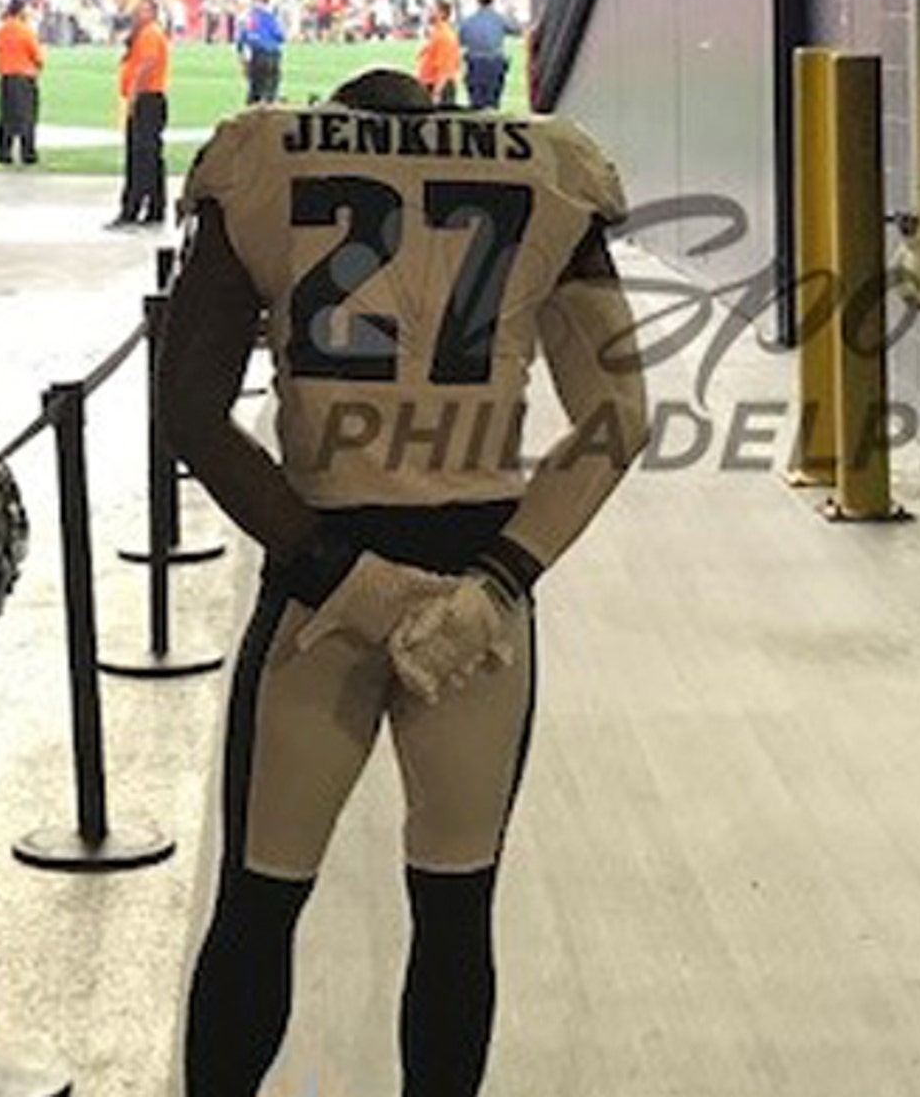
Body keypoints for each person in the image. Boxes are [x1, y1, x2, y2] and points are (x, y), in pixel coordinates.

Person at [163, 68, 649, 1097]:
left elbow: (191, 409)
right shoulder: (551, 169)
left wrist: (332, 569)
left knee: (258, 905)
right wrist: (502, 578)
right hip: (476, 582)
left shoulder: (264, 158)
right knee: (455, 909)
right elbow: (619, 417)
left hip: (316, 578)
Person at [111, 0, 170, 227]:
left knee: (140, 156)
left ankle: (133, 208)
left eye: (141, 11)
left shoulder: (150, 34)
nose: (136, 15)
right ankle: (154, 207)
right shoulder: (144, 34)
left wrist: (134, 94)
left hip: (147, 99)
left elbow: (146, 64)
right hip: (149, 99)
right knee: (150, 156)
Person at [0, 0, 45, 164]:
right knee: (26, 117)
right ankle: (27, 153)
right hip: (24, 76)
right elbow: (37, 55)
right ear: (21, 11)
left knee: (6, 116)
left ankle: (4, 153)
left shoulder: (1, 30)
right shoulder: (25, 30)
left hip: (6, 76)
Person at [457, 0, 517, 112]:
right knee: (492, 104)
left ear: (478, 1)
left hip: (475, 64)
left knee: (476, 104)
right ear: (493, 0)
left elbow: (460, 41)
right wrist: (510, 12)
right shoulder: (499, 19)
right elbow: (516, 30)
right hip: (494, 63)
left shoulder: (468, 21)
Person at [235, 0, 287, 105]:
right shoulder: (271, 17)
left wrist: (243, 61)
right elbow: (280, 37)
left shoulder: (248, 17)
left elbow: (241, 41)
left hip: (258, 55)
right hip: (273, 55)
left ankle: (250, 118)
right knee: (271, 91)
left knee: (255, 91)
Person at [415, 0, 462, 109]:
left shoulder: (444, 35)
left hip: (438, 86)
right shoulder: (436, 32)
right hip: (431, 84)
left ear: (441, 13)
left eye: (431, 10)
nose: (427, 13)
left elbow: (445, 69)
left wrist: (436, 93)